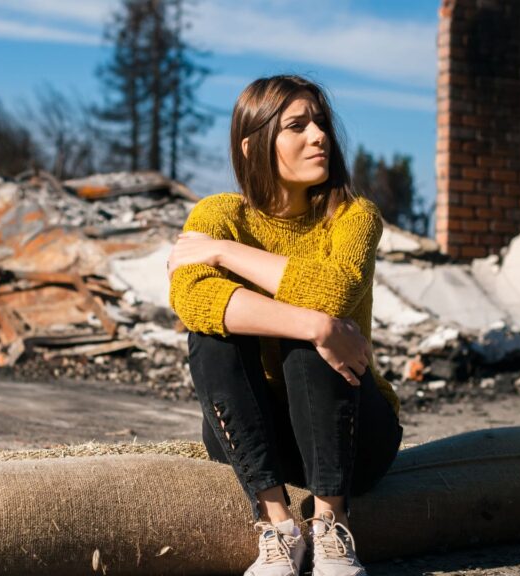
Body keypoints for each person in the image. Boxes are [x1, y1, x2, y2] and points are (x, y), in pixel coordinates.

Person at [167, 75, 402, 576]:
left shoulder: (354, 216)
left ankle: (332, 527)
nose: (319, 135)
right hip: (262, 437)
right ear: (253, 145)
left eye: (321, 124)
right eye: (297, 125)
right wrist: (313, 325)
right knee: (212, 334)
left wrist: (226, 253)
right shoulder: (218, 213)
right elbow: (191, 297)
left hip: (353, 432)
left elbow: (335, 289)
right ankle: (277, 527)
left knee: (313, 340)